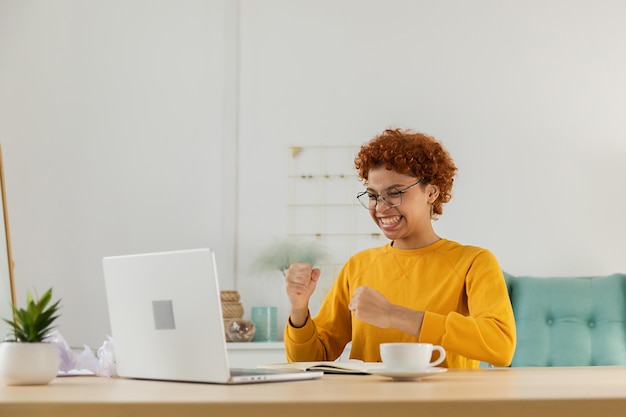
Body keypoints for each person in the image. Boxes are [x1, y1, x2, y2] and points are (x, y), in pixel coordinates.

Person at [283, 128, 516, 368]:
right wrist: (299, 308)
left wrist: (393, 315)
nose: (381, 208)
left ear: (432, 192)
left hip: (445, 404)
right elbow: (311, 360)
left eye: (394, 193)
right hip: (371, 404)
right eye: (373, 196)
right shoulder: (359, 266)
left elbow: (500, 346)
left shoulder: (473, 262)